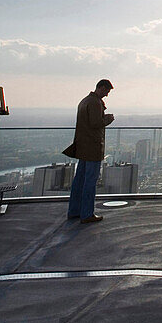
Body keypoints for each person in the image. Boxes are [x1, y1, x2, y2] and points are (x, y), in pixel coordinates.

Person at [63, 79, 115, 223]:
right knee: (90, 181)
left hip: (83, 146)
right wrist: (107, 119)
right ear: (101, 88)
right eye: (107, 91)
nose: (107, 95)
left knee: (79, 180)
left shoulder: (84, 101)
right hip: (92, 147)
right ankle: (86, 214)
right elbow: (95, 123)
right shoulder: (94, 102)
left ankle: (74, 210)